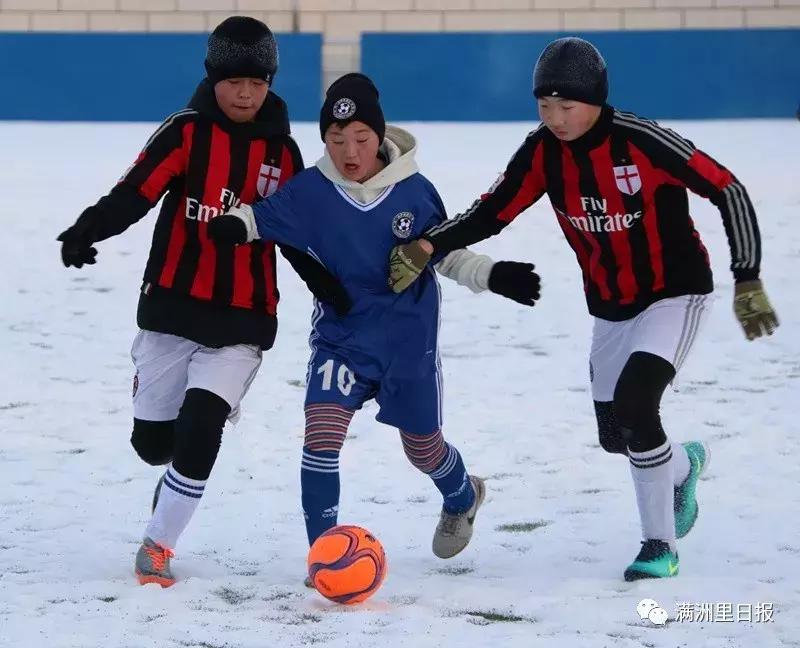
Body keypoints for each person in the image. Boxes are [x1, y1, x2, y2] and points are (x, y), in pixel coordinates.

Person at [387, 37, 779, 581]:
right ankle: (684, 465)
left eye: (567, 106)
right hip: (612, 308)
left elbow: (728, 189)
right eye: (544, 106)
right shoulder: (542, 151)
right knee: (617, 435)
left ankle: (658, 547)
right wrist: (429, 244)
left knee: (639, 405)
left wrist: (748, 277)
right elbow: (493, 211)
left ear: (596, 99)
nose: (556, 118)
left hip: (676, 292)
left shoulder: (641, 140)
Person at [56, 16, 350, 587]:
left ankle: (158, 545)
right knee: (153, 446)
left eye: (258, 82)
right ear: (212, 77)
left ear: (271, 83)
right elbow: (135, 192)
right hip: (170, 309)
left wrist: (327, 287)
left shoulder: (283, 152)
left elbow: (294, 233)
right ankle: (166, 468)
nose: (245, 93)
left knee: (202, 426)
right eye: (234, 80)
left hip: (244, 317)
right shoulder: (185, 133)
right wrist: (86, 230)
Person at [209, 73, 542, 567]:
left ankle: (462, 495)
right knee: (321, 437)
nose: (349, 151)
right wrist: (236, 224)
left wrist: (494, 275)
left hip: (408, 345)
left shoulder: (415, 191)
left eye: (361, 139)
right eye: (336, 139)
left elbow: (445, 254)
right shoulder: (312, 191)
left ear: (379, 138)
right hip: (341, 340)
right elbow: (261, 217)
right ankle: (323, 556)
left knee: (423, 451)